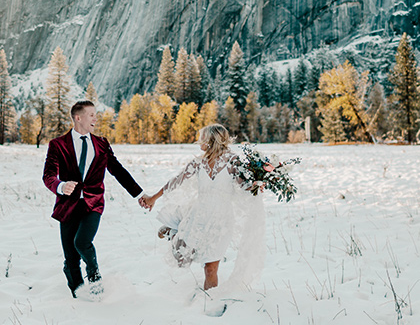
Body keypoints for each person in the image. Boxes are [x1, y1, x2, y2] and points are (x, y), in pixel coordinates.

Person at [139, 123, 274, 291]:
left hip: (221, 221)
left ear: (211, 140)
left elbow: (243, 184)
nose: (198, 141)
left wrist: (256, 183)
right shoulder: (197, 163)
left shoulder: (233, 161)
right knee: (182, 258)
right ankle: (172, 232)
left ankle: (208, 302)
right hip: (199, 215)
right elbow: (176, 181)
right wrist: (153, 198)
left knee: (210, 268)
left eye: (201, 138)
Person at [43, 100, 143, 299]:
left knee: (82, 242)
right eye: (91, 115)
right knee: (70, 257)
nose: (95, 119)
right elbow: (48, 175)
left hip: (93, 204)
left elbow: (118, 171)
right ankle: (78, 295)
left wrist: (139, 194)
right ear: (78, 118)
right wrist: (61, 186)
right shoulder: (58, 144)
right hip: (67, 205)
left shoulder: (102, 143)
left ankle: (95, 278)